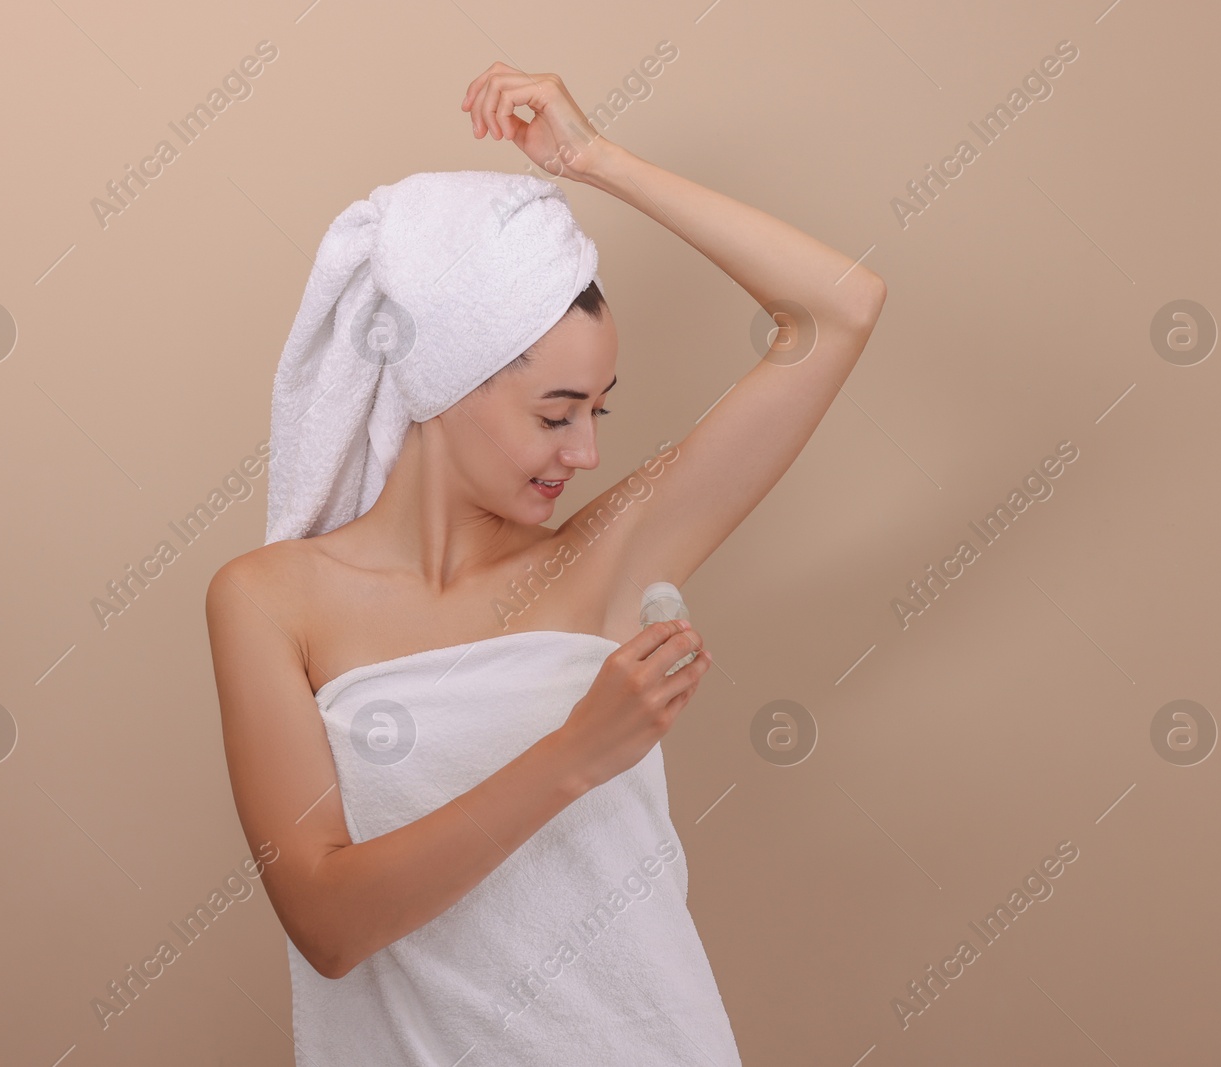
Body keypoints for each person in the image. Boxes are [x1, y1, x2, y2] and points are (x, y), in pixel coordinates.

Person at [205, 61, 886, 1065]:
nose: (585, 453)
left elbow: (839, 309)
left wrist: (592, 161)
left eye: (596, 409)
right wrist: (577, 751)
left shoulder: (603, 561)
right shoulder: (271, 601)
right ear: (440, 378)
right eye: (555, 413)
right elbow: (328, 919)